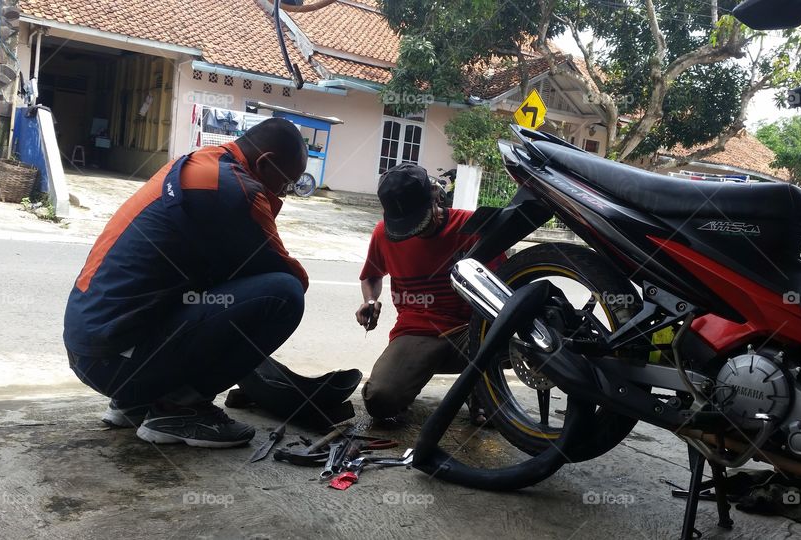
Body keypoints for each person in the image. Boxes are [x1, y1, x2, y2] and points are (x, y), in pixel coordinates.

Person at [64, 118, 309, 448]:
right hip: (115, 361)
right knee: (285, 295)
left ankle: (137, 400)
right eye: (287, 184)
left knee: (219, 286)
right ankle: (179, 409)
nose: (284, 194)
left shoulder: (202, 164)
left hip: (92, 349)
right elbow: (292, 277)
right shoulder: (236, 190)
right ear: (265, 163)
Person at [356, 163, 503, 425]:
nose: (416, 232)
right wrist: (370, 300)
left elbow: (506, 288)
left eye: (420, 222)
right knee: (381, 400)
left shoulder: (470, 227)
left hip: (471, 332)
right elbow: (371, 275)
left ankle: (481, 387)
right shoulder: (383, 234)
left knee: (531, 349)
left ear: (436, 196)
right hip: (417, 332)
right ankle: (412, 379)